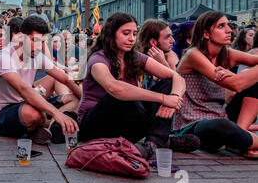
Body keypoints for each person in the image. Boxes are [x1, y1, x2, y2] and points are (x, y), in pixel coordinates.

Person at [77, 12, 200, 160]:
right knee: (122, 95)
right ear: (111, 34)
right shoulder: (98, 59)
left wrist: (173, 97)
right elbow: (114, 88)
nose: (132, 39)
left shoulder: (135, 57)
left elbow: (177, 77)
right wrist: (162, 98)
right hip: (94, 125)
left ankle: (153, 143)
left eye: (134, 34)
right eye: (126, 33)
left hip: (128, 123)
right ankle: (163, 141)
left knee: (169, 84)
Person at [0, 16, 81, 144]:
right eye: (34, 40)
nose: (39, 46)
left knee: (74, 98)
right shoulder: (4, 58)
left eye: (42, 42)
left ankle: (50, 126)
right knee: (33, 114)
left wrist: (87, 100)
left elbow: (66, 79)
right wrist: (57, 113)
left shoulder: (36, 54)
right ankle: (45, 123)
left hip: (25, 102)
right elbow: (24, 90)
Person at [174, 11, 258, 158]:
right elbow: (236, 85)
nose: (229, 30)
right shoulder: (193, 54)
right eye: (221, 26)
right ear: (206, 34)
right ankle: (243, 141)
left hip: (221, 114)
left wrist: (233, 74)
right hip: (194, 123)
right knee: (220, 125)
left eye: (228, 25)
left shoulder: (227, 54)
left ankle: (240, 141)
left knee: (255, 83)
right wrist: (236, 77)